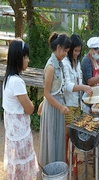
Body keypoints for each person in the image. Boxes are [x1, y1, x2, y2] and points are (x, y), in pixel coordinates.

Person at [2, 39, 38, 179]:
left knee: (16, 165)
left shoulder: (8, 79)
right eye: (26, 57)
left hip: (12, 132)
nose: (28, 60)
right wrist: (33, 103)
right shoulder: (17, 82)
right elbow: (29, 109)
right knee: (23, 166)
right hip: (20, 134)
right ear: (19, 58)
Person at [37, 32, 71, 179]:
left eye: (67, 52)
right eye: (65, 51)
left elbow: (56, 89)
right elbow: (47, 94)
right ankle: (50, 174)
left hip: (57, 107)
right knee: (52, 140)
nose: (65, 54)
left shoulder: (60, 63)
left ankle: (58, 173)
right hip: (53, 109)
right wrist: (60, 107)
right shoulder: (51, 67)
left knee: (59, 140)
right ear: (58, 47)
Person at [62, 34, 93, 164]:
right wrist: (84, 87)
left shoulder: (77, 62)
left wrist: (83, 89)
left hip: (77, 103)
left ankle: (73, 157)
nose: (77, 53)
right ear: (69, 49)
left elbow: (78, 79)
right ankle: (66, 159)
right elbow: (67, 85)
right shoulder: (65, 63)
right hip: (68, 104)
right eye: (75, 50)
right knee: (67, 134)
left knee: (74, 133)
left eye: (79, 51)